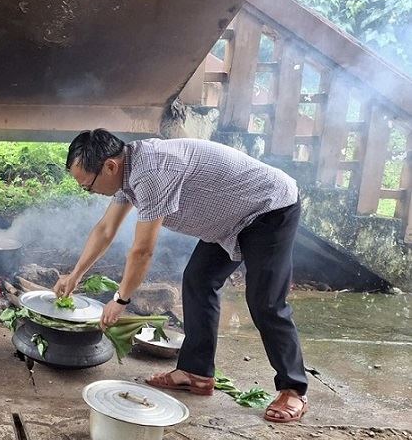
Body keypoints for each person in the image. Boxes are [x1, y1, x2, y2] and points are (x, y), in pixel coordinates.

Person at [54, 129, 310, 423]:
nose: (89, 191)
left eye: (87, 185)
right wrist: (74, 276)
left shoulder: (151, 171)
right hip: (229, 218)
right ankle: (196, 372)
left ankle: (293, 389)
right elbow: (105, 230)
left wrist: (121, 299)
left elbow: (142, 251)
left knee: (265, 300)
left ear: (109, 166)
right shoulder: (127, 170)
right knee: (199, 280)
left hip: (268, 207)